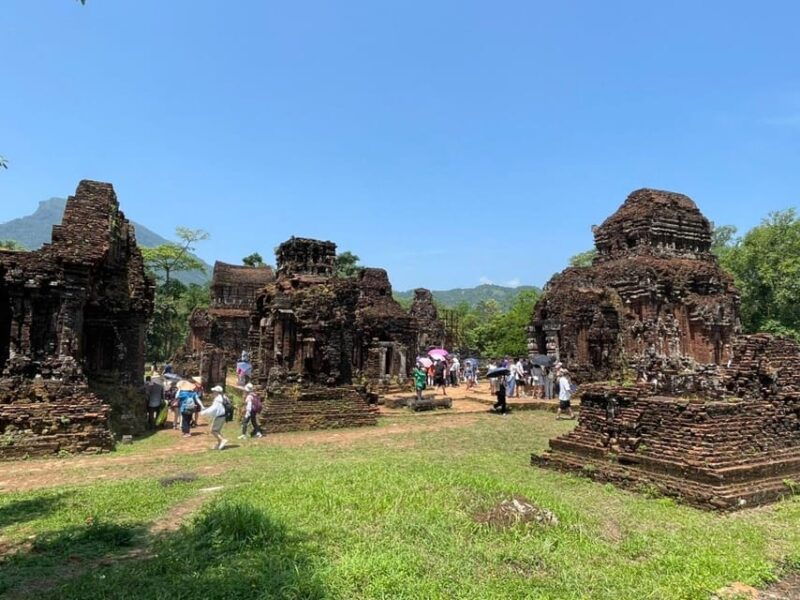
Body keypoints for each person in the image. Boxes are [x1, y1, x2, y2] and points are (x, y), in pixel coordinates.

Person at [201, 385, 229, 450]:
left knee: (213, 431)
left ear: (217, 392)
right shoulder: (224, 397)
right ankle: (219, 444)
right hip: (224, 416)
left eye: (214, 391)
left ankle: (223, 440)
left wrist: (204, 412)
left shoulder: (217, 399)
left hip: (220, 416)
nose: (213, 392)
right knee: (217, 430)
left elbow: (213, 409)